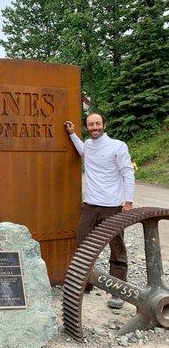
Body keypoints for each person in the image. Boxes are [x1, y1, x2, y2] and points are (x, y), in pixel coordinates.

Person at [64, 113, 135, 309]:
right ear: (87, 127)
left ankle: (117, 292)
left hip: (113, 206)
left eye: (97, 124)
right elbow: (82, 151)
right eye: (90, 125)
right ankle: (84, 285)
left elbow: (128, 173)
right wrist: (71, 134)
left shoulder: (118, 146)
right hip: (90, 205)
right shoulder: (88, 144)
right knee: (83, 246)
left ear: (104, 125)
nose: (94, 127)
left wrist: (128, 202)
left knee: (117, 248)